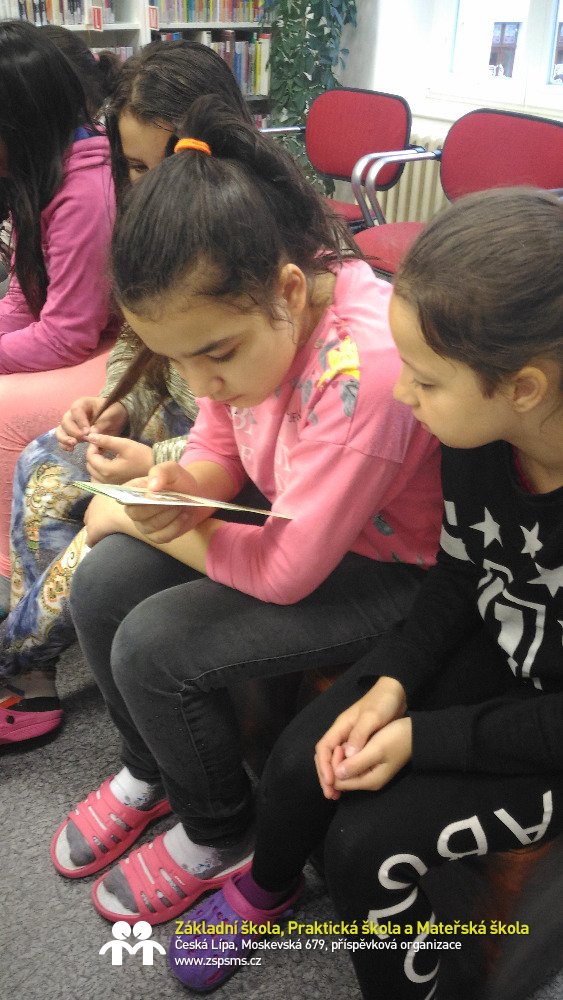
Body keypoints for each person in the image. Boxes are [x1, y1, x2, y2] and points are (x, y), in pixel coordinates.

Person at [49, 97, 442, 931]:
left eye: (215, 355)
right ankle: (154, 769)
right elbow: (220, 436)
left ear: (289, 292)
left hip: (391, 572)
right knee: (103, 584)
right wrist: (177, 478)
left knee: (155, 644)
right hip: (304, 521)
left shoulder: (362, 373)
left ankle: (219, 830)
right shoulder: (254, 309)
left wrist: (144, 514)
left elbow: (286, 571)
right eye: (179, 359)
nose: (201, 382)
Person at [168, 187, 563, 998]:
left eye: (424, 379)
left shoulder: (476, 420)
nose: (403, 395)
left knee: (367, 850)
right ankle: (267, 889)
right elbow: (459, 572)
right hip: (506, 654)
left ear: (522, 386)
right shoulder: (478, 434)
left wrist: (426, 738)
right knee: (303, 760)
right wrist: (392, 683)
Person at [0, 39, 255, 742]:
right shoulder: (151, 226)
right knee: (43, 464)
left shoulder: (247, 234)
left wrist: (156, 460)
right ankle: (34, 667)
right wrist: (116, 403)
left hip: (219, 459)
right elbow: (138, 341)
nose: (150, 184)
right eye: (136, 167)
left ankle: (16, 654)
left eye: (168, 160)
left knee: (99, 536)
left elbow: (247, 424)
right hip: (170, 424)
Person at [0, 21, 120, 586]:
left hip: (117, 342)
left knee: (4, 409)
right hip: (80, 332)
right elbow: (23, 301)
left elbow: (68, 334)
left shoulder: (85, 191)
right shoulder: (39, 172)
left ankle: (10, 574)